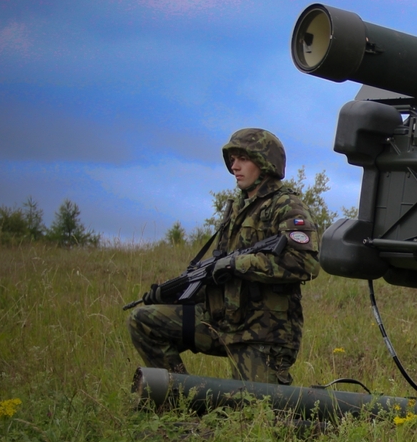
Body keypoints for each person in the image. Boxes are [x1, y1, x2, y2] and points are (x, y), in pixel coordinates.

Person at [127, 128, 320, 385]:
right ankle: (178, 396)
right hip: (221, 323)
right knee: (144, 321)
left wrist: (237, 263)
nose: (234, 166)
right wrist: (170, 294)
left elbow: (306, 263)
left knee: (256, 413)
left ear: (264, 163)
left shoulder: (286, 206)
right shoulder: (236, 208)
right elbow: (219, 274)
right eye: (232, 160)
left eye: (243, 159)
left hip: (262, 332)